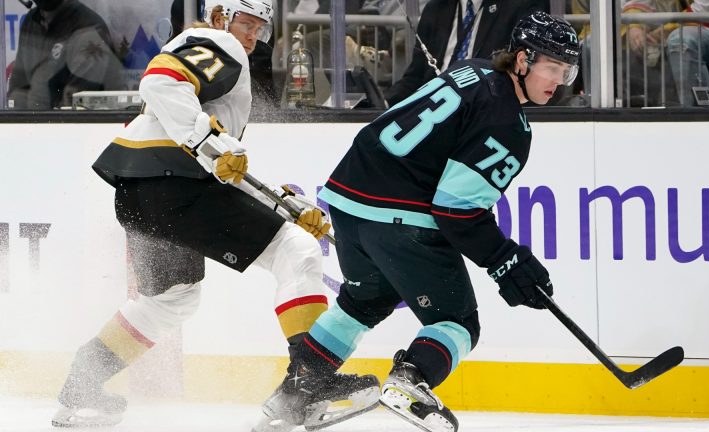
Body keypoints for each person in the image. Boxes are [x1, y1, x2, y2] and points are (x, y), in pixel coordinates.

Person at [51, 0, 378, 428]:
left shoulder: (213, 69)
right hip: (174, 184)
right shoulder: (216, 39)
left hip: (142, 192)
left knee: (172, 298)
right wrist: (211, 142)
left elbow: (218, 164)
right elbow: (161, 81)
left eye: (260, 30)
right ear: (221, 15)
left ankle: (82, 384)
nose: (251, 37)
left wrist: (285, 206)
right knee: (295, 252)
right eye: (246, 23)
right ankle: (309, 381)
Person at [260, 11, 580, 432]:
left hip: (348, 197)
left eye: (567, 70)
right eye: (551, 67)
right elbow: (457, 210)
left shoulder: (473, 70)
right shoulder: (509, 125)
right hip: (399, 213)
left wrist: (504, 259)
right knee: (458, 321)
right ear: (523, 60)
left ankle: (296, 392)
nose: (558, 80)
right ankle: (411, 381)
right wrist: (507, 260)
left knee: (364, 301)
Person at [384, 0, 549, 105]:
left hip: (483, 108)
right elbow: (415, 77)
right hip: (434, 106)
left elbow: (521, 74)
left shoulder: (521, 6)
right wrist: (384, 103)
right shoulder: (435, 9)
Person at [7, 0, 122, 109]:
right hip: (31, 124)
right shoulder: (31, 22)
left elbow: (76, 104)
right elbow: (17, 88)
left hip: (72, 125)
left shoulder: (89, 29)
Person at [664, 0, 709, 106]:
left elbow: (705, 11)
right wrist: (635, 28)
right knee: (639, 42)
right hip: (690, 25)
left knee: (680, 40)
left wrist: (660, 32)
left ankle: (696, 113)